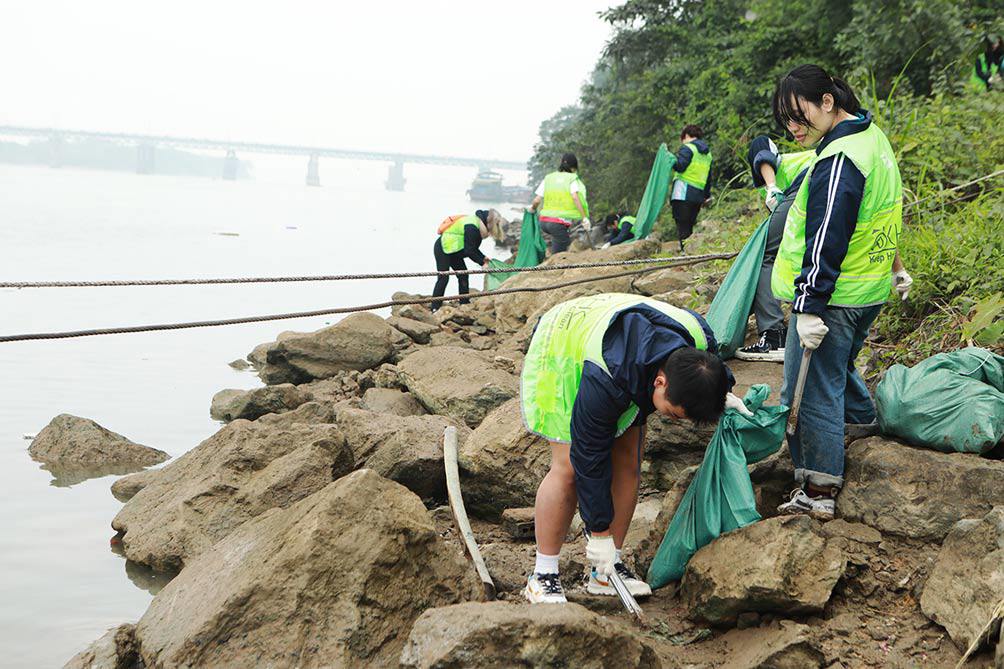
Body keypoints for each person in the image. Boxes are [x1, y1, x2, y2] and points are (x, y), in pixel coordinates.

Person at [520, 293, 749, 604]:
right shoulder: (607, 378)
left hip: (625, 343)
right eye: (672, 414)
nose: (674, 421)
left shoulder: (696, 344)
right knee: (569, 469)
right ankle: (543, 575)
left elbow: (712, 371)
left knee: (629, 460)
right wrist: (597, 530)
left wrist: (723, 394)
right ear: (660, 382)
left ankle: (606, 572)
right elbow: (590, 457)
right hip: (563, 345)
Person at [769, 65, 912, 521]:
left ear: (827, 103)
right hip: (868, 288)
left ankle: (819, 485)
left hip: (835, 296)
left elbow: (829, 234)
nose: (793, 128)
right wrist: (897, 267)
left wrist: (808, 306)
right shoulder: (872, 138)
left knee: (809, 389)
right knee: (837, 368)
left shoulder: (839, 159)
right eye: (785, 121)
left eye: (798, 115)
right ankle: (863, 423)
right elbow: (879, 215)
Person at [735, 138, 815, 362]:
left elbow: (762, 146)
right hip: (830, 184)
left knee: (764, 256)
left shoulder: (781, 168)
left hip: (806, 182)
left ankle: (773, 337)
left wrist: (771, 186)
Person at [528, 153, 591, 254]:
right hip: (557, 223)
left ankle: (551, 261)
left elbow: (536, 200)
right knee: (562, 254)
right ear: (574, 167)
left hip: (544, 222)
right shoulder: (571, 178)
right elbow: (575, 197)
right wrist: (584, 218)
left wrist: (532, 209)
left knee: (558, 241)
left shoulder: (549, 178)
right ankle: (553, 267)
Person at [430, 210, 490, 311]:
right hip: (443, 247)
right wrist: (482, 263)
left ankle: (464, 302)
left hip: (454, 250)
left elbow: (471, 247)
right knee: (443, 278)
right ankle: (435, 307)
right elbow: (470, 250)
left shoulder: (475, 224)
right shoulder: (472, 227)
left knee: (463, 274)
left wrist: (483, 257)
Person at [669, 125, 713, 253]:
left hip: (683, 192)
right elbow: (709, 178)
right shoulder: (707, 154)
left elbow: (680, 166)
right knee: (689, 225)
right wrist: (706, 196)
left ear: (686, 135)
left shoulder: (688, 148)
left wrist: (671, 159)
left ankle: (686, 255)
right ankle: (690, 253)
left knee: (682, 225)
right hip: (698, 195)